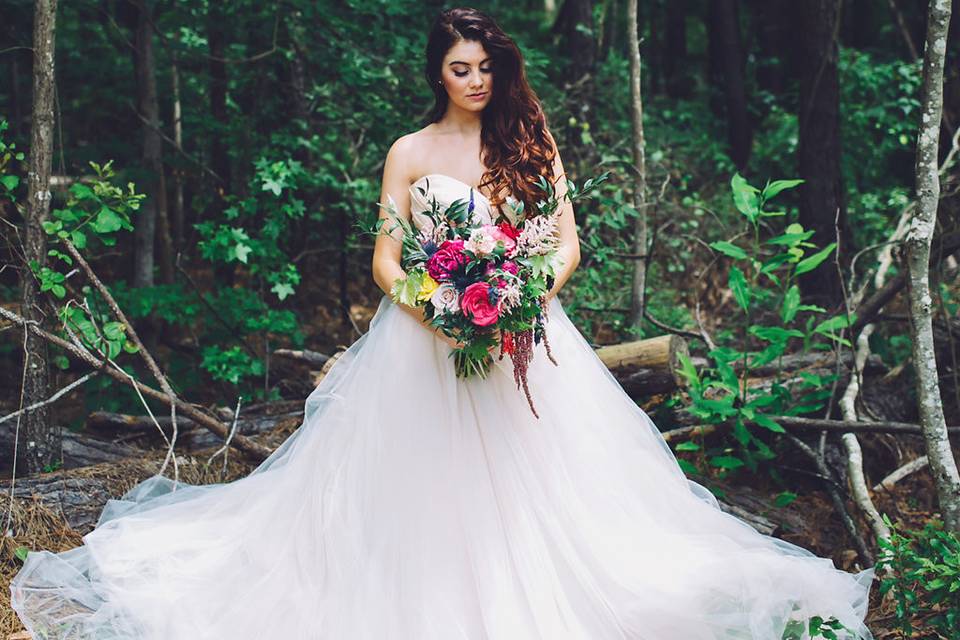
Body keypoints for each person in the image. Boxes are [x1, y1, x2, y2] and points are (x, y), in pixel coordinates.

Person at [10, 7, 875, 640]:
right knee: (422, 487)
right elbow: (386, 263)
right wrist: (445, 309)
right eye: (460, 68)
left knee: (551, 488)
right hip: (427, 345)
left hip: (523, 335)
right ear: (439, 73)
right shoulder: (410, 153)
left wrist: (524, 295)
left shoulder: (529, 134)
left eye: (485, 67)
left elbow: (567, 241)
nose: (475, 80)